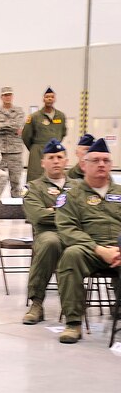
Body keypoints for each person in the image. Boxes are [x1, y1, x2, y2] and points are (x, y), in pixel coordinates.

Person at [55, 138, 121, 344]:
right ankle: (73, 323)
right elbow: (67, 229)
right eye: (96, 160)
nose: (101, 164)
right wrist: (98, 248)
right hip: (89, 250)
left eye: (106, 160)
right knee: (70, 256)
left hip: (119, 248)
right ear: (84, 164)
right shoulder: (71, 195)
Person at [21, 138, 68, 325]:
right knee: (51, 243)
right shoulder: (33, 188)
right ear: (43, 162)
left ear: (66, 161)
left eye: (59, 157)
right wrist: (69, 214)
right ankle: (36, 303)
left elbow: (88, 214)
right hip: (47, 234)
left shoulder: (79, 186)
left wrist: (53, 210)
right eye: (51, 157)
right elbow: (39, 216)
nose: (56, 161)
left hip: (76, 235)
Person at [21, 87, 66, 182]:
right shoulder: (34, 117)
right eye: (47, 97)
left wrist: (54, 145)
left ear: (55, 99)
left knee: (55, 175)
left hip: (55, 151)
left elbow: (63, 133)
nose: (49, 99)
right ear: (43, 99)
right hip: (37, 151)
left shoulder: (61, 116)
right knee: (35, 177)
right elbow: (26, 135)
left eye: (52, 97)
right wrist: (34, 148)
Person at [0, 86, 25, 196]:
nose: (7, 97)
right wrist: (11, 126)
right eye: (5, 95)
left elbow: (17, 125)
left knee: (16, 182)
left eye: (9, 95)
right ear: (1, 97)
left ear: (12, 96)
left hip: (15, 152)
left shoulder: (19, 111)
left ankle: (16, 209)